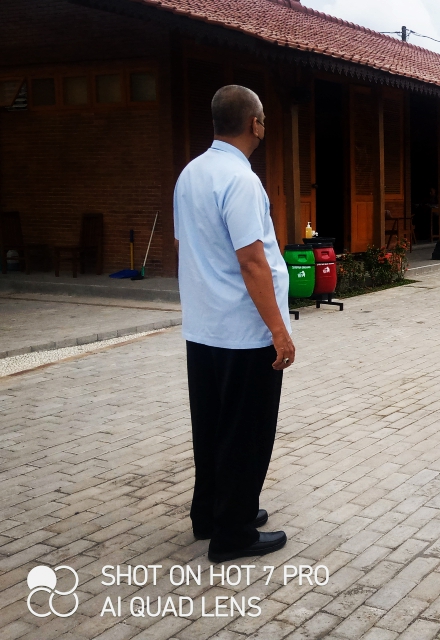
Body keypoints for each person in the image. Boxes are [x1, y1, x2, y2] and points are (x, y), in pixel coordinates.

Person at [174, 85, 291, 563]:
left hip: (204, 329)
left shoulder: (191, 174)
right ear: (254, 124)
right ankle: (234, 532)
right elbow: (252, 261)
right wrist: (279, 331)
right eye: (263, 119)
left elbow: (187, 246)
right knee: (246, 433)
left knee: (211, 427)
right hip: (243, 333)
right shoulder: (241, 180)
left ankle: (211, 514)